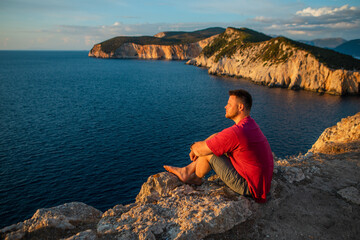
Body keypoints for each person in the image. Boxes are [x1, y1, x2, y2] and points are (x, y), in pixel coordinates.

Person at [164, 89, 274, 203]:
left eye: (229, 104)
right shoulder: (249, 125)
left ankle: (193, 176)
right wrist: (202, 146)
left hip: (250, 188)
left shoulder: (237, 133)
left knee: (209, 153)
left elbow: (201, 151)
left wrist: (193, 147)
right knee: (215, 141)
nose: (225, 107)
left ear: (240, 107)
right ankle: (188, 172)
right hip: (261, 185)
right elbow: (218, 137)